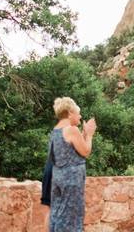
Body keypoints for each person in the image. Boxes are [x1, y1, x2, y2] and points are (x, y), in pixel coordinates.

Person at [48, 96, 96, 232]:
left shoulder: (56, 131)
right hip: (71, 179)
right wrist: (90, 134)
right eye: (78, 113)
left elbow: (72, 150)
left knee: (58, 212)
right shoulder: (71, 130)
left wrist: (84, 133)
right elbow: (85, 151)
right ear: (69, 113)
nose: (80, 117)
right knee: (72, 216)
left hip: (58, 177)